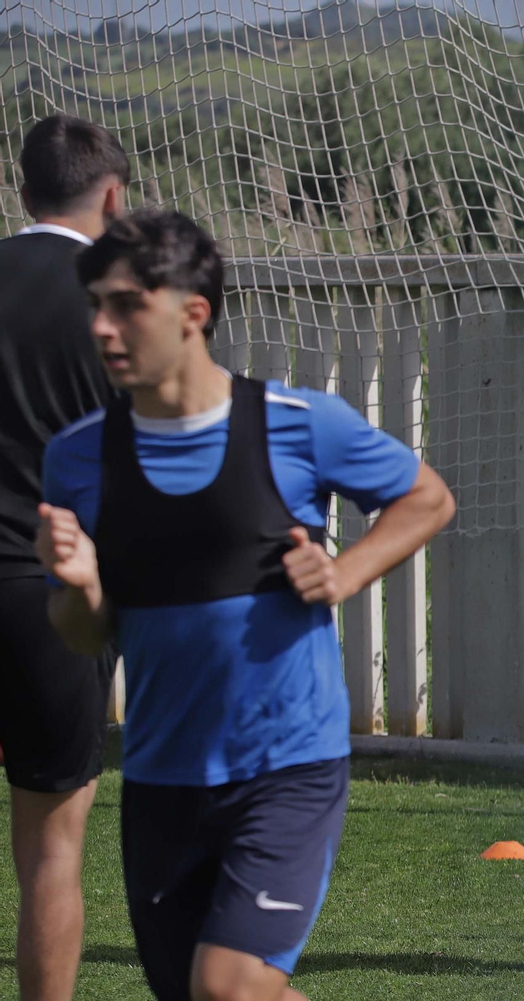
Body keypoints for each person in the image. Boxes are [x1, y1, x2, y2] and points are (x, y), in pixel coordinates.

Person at [35, 209, 456, 1001]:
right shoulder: (78, 455)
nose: (101, 326)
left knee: (226, 985)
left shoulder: (297, 425)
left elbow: (426, 498)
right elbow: (83, 631)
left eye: (126, 305)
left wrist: (348, 571)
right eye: (95, 304)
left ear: (192, 313)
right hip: (163, 773)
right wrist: (84, 587)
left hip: (286, 765)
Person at [0, 113, 126, 1001]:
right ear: (113, 197)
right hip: (54, 595)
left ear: (21, 190)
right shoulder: (122, 298)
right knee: (50, 846)